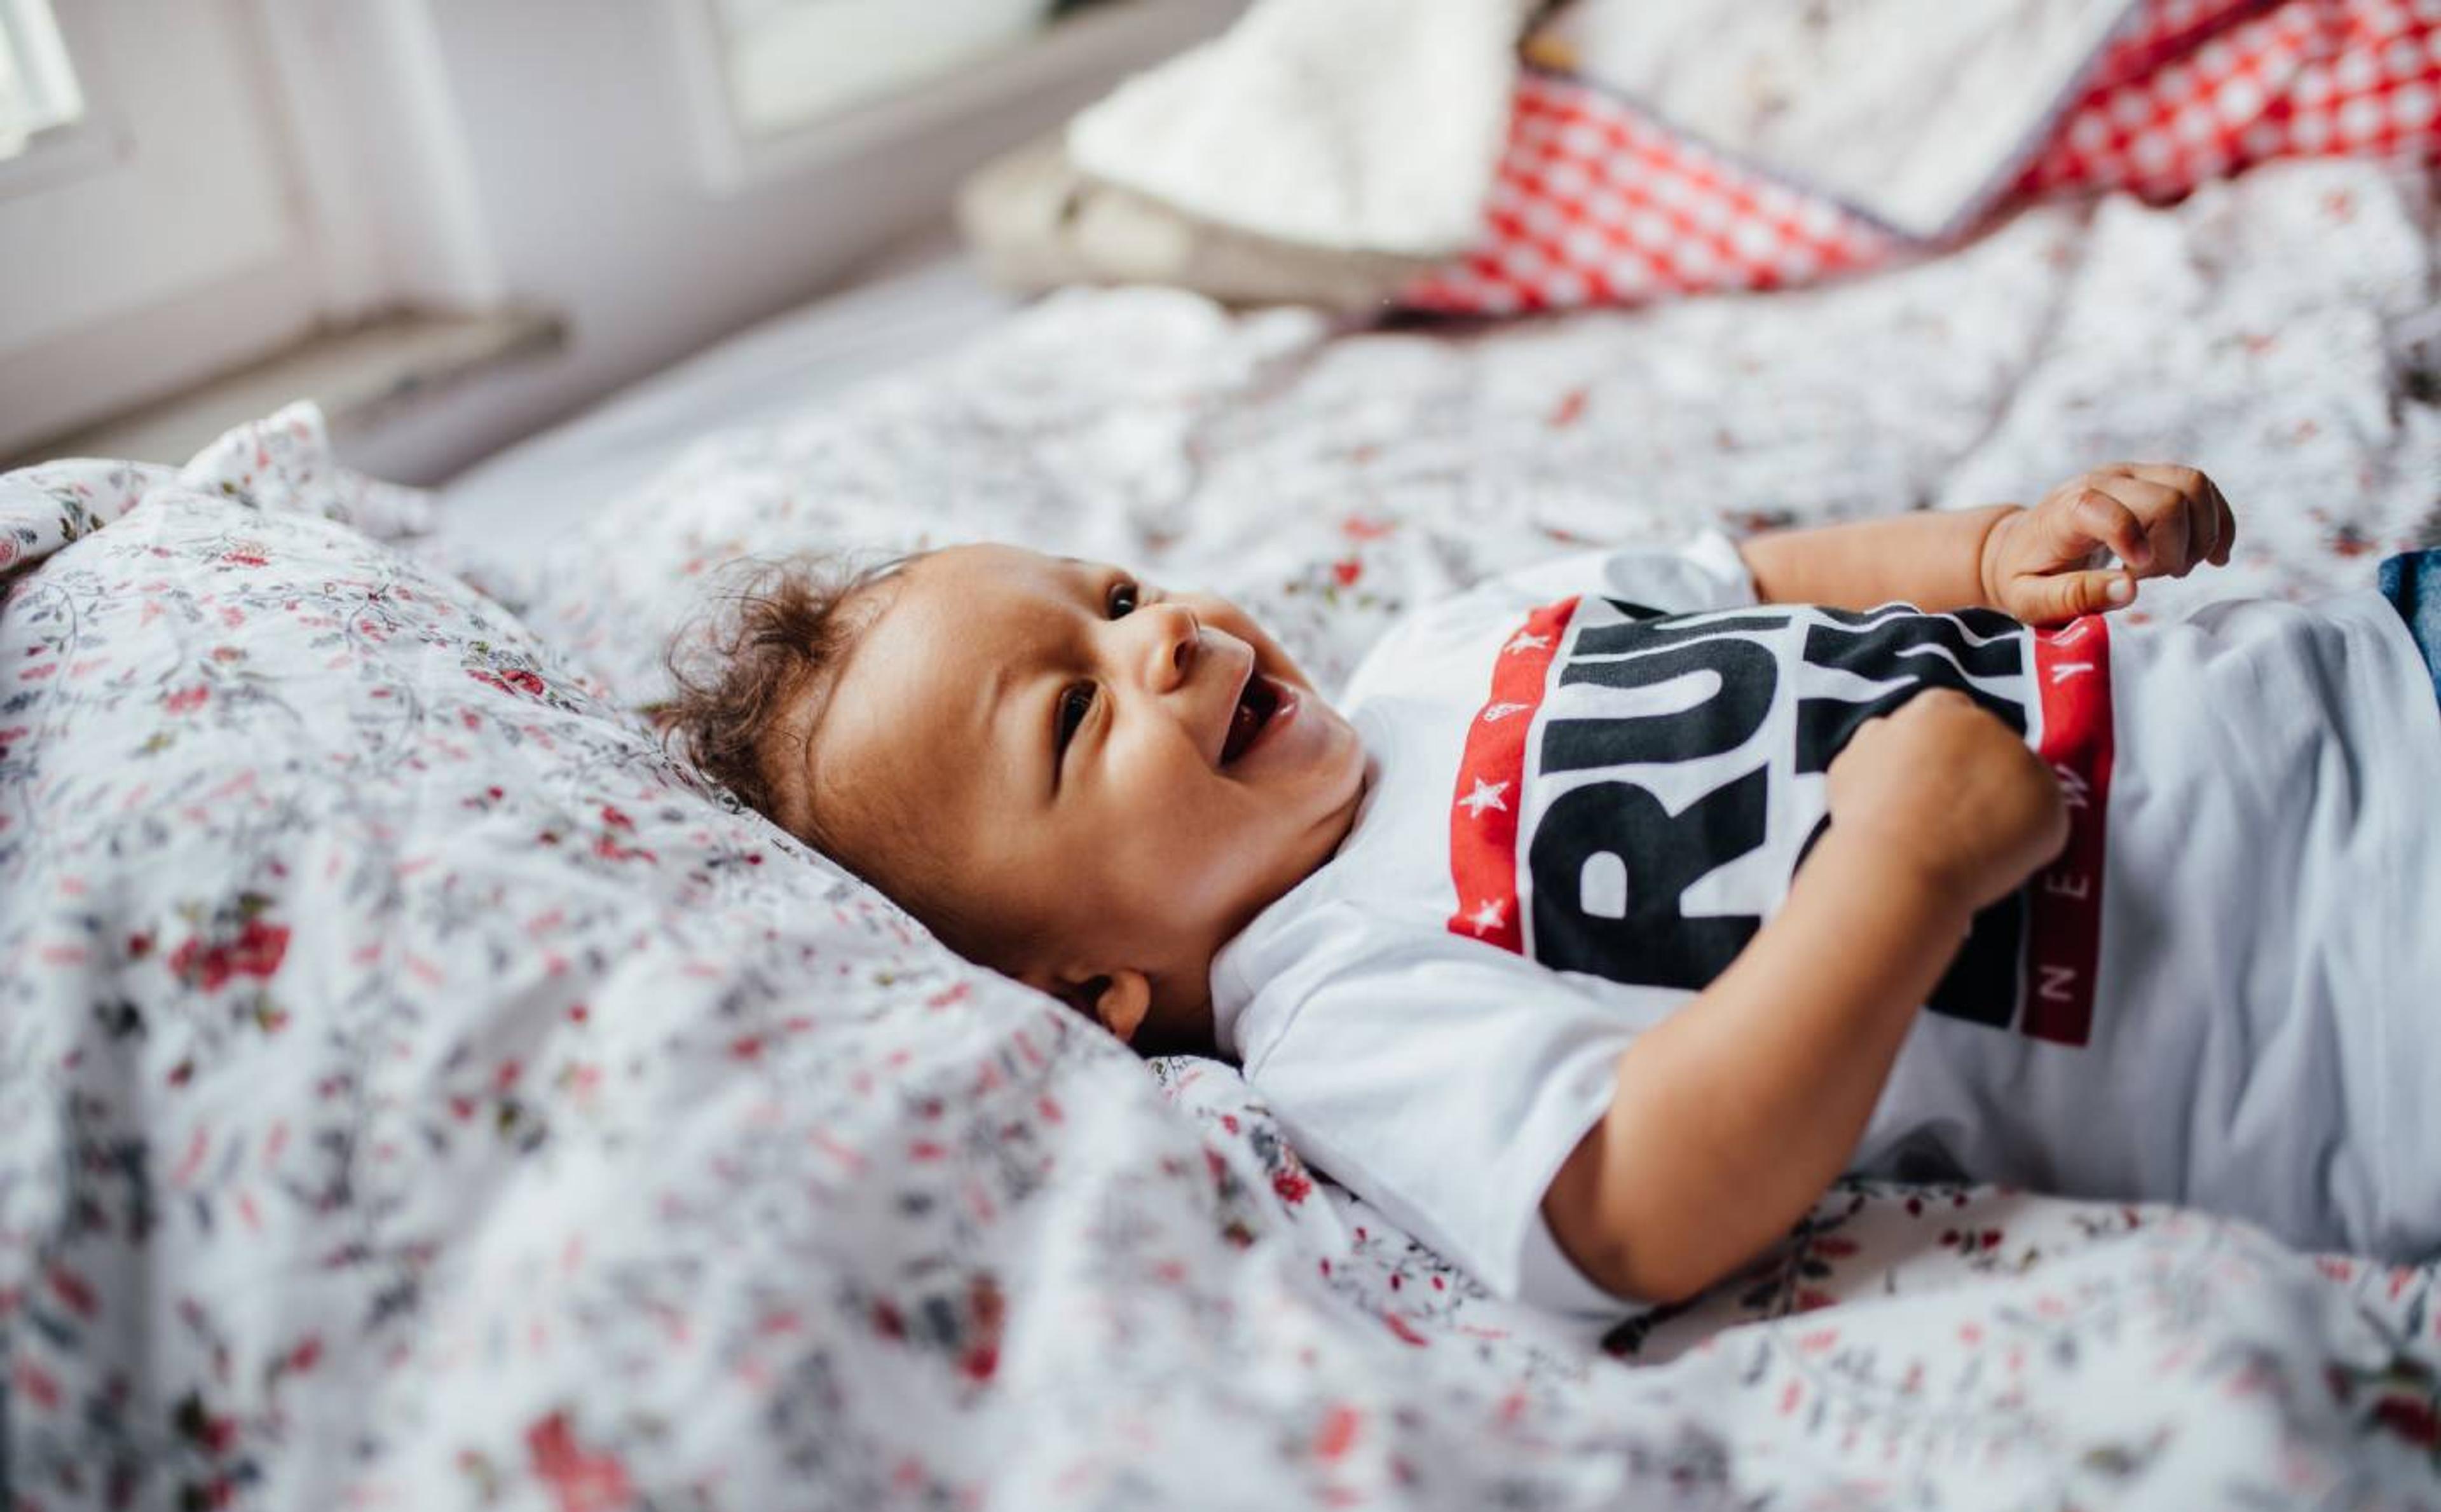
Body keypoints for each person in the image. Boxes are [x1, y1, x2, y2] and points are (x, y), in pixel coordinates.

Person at [661, 464, 2441, 1316]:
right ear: (1085, 992)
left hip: (2360, 653)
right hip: (2365, 988)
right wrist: (1898, 874)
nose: (1167, 640)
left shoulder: (1450, 642)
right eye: (1073, 713)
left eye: (1115, 596)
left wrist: (1984, 556)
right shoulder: (1336, 1002)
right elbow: (1636, 1202)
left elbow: (1740, 574)